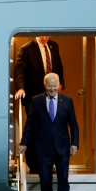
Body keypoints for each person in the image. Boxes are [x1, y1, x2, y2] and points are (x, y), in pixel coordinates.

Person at [18, 73, 79, 191]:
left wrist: (74, 144)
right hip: (43, 148)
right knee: (45, 182)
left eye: (54, 86)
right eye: (49, 86)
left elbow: (74, 125)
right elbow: (29, 124)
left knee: (63, 183)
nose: (52, 89)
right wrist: (23, 143)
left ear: (58, 84)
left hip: (62, 148)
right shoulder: (36, 101)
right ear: (44, 85)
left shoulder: (67, 101)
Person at [14, 37, 64, 174]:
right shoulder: (26, 48)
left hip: (52, 96)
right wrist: (20, 88)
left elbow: (59, 66)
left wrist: (61, 84)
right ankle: (35, 166)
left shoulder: (54, 45)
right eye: (42, 35)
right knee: (35, 131)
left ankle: (49, 164)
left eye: (47, 35)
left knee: (51, 131)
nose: (44, 38)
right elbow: (19, 71)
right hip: (33, 98)